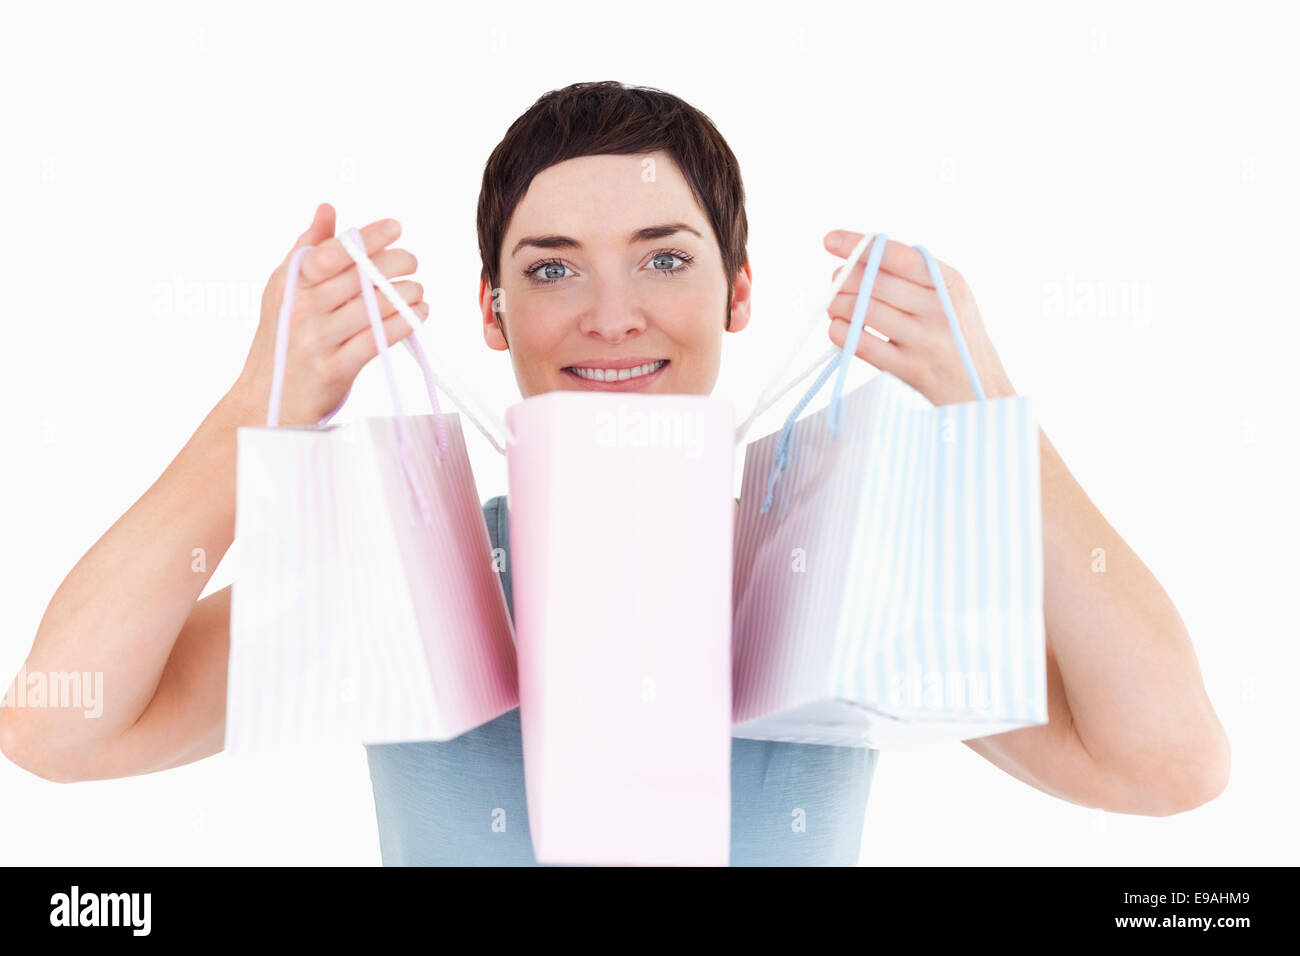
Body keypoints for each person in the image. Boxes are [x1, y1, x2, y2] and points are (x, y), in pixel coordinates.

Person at [0, 81, 1229, 865]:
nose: (608, 315)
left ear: (738, 292)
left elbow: (1168, 763)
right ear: (488, 311)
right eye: (548, 269)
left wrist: (987, 418)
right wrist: (252, 411)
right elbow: (57, 728)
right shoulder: (415, 565)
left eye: (662, 259)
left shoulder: (833, 563)